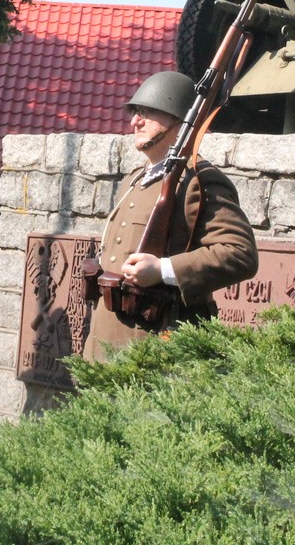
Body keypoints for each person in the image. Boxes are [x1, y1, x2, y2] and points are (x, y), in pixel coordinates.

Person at [83, 71, 258, 362]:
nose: (135, 121)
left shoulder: (199, 181)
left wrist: (164, 269)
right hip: (105, 344)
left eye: (149, 112)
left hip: (157, 349)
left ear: (180, 122)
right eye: (137, 111)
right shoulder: (135, 180)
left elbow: (240, 254)